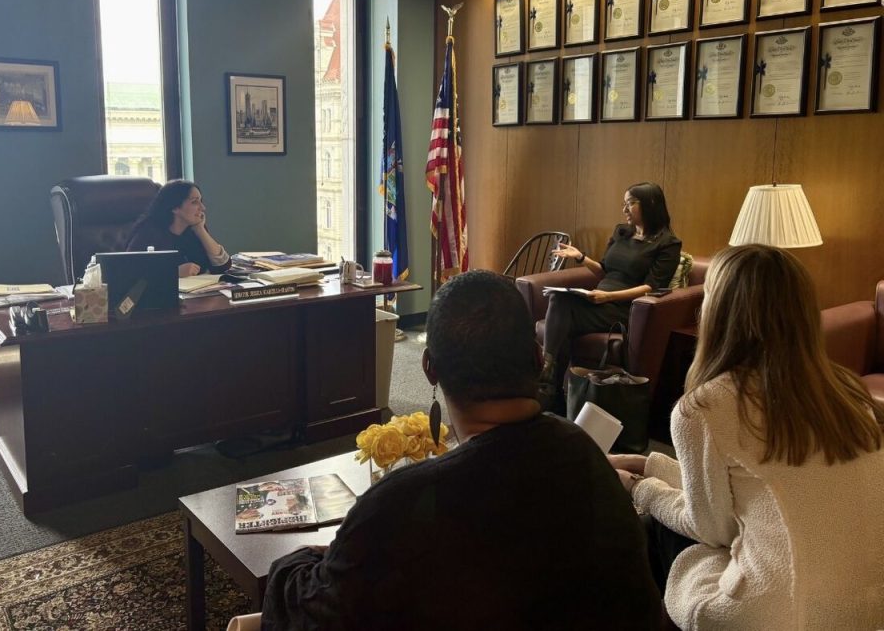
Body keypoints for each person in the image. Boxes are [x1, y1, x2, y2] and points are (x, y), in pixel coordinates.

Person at [261, 270, 662, 630]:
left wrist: (310, 557)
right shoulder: (585, 454)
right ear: (538, 359)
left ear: (429, 368)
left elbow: (306, 610)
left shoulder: (399, 503)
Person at [610, 245, 884, 629]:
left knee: (655, 529)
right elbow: (754, 486)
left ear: (718, 312)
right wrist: (648, 462)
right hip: (865, 611)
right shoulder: (848, 394)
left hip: (778, 614)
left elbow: (712, 529)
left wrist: (639, 487)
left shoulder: (706, 408)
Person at [542, 182, 681, 408]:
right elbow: (605, 269)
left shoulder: (668, 244)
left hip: (625, 307)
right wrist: (580, 258)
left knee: (563, 316)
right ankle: (552, 386)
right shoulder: (622, 232)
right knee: (559, 299)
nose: (624, 210)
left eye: (630, 204)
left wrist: (609, 297)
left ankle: (549, 385)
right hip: (598, 299)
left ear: (651, 203)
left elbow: (651, 287)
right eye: (623, 204)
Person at [125, 179, 230, 277]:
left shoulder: (195, 229)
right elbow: (129, 271)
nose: (202, 208)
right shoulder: (148, 232)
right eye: (194, 202)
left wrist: (200, 230)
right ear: (175, 207)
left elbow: (223, 266)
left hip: (196, 294)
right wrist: (174, 272)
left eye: (201, 201)